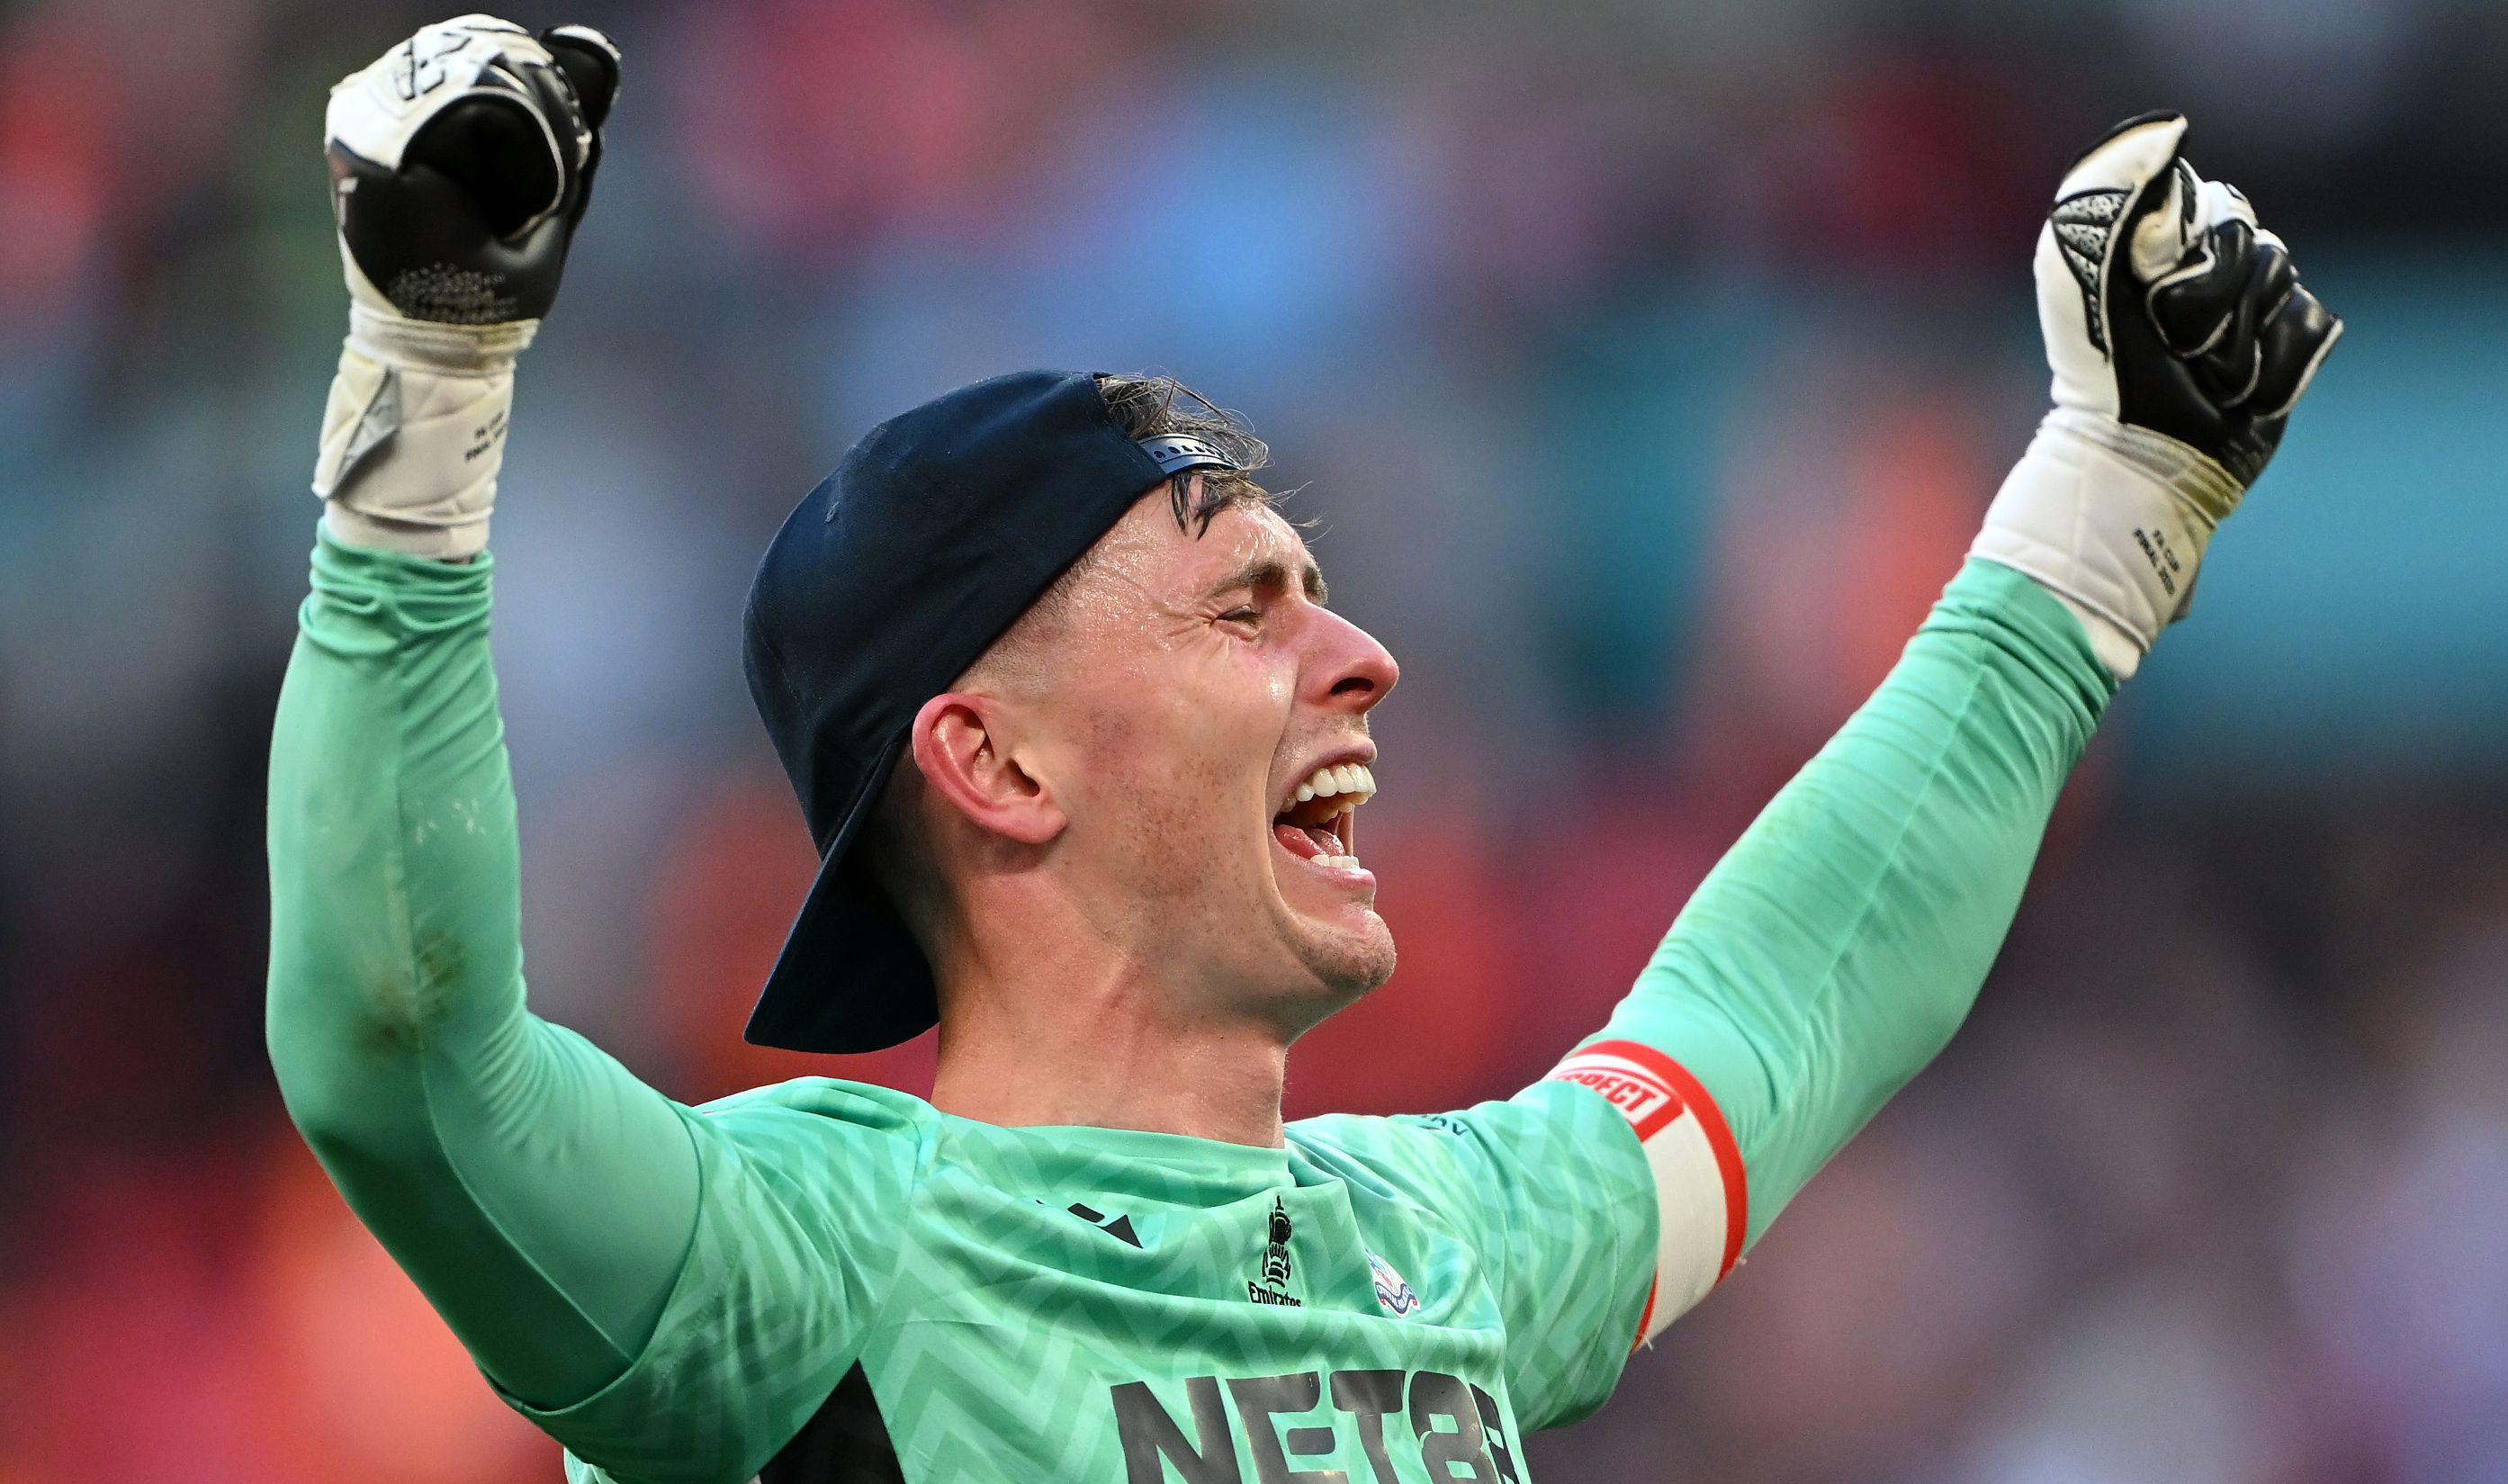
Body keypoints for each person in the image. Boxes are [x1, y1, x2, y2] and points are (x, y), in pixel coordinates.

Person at [267, 16, 2342, 1483]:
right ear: (991, 762)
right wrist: (432, 369)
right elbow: (394, 1049)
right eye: (1241, 604)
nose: (1363, 661)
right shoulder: (803, 1272)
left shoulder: (1437, 1242)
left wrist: (2112, 500)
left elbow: (1793, 994)